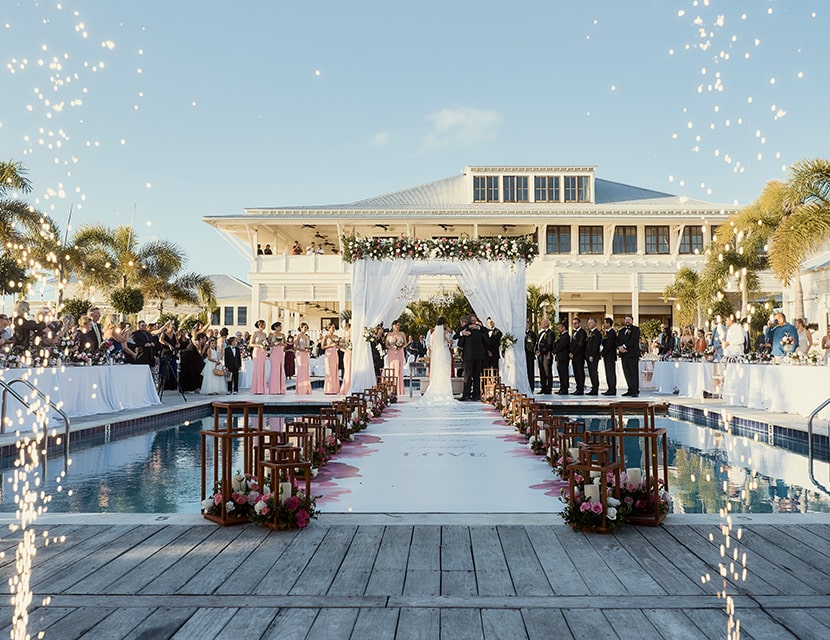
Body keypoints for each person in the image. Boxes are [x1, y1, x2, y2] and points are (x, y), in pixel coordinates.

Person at [417, 315, 455, 405]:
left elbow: (431, 345)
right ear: (445, 324)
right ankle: (445, 391)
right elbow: (450, 342)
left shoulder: (433, 333)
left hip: (437, 353)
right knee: (445, 371)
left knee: (438, 371)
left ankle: (436, 388)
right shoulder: (446, 333)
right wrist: (450, 341)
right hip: (445, 352)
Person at [457, 315, 488, 401]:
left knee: (477, 376)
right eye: (472, 321)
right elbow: (458, 338)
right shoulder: (466, 329)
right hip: (468, 355)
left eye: (475, 321)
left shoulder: (480, 329)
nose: (473, 322)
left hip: (478, 355)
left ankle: (476, 395)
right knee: (467, 376)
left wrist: (478, 327)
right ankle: (466, 395)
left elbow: (486, 332)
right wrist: (464, 332)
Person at [617, 315, 641, 397]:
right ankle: (630, 389)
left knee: (633, 373)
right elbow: (618, 340)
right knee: (626, 373)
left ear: (632, 321)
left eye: (629, 320)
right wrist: (619, 347)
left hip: (633, 355)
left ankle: (635, 390)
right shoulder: (621, 330)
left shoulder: (635, 329)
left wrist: (624, 346)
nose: (627, 321)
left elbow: (634, 340)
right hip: (624, 355)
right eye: (626, 320)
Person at [385, 320, 408, 395]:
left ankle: (400, 389)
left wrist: (400, 347)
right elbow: (386, 344)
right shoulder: (389, 334)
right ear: (392, 326)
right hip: (391, 353)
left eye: (398, 325)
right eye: (395, 325)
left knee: (399, 370)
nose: (397, 327)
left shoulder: (402, 333)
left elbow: (405, 343)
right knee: (392, 370)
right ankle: (392, 389)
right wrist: (392, 348)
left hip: (400, 352)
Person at [535, 317, 554, 394]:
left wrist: (541, 351)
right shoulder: (540, 333)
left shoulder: (550, 333)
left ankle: (548, 388)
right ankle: (543, 387)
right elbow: (538, 343)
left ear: (547, 324)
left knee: (547, 372)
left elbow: (549, 344)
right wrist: (536, 350)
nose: (541, 324)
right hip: (540, 356)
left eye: (542, 323)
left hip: (547, 355)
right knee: (542, 372)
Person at [321, 322, 341, 395]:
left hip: (335, 353)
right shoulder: (326, 336)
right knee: (329, 370)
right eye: (332, 328)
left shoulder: (336, 336)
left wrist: (337, 346)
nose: (333, 329)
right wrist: (331, 345)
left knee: (335, 370)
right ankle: (329, 389)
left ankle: (335, 389)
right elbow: (322, 347)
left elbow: (338, 346)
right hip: (328, 354)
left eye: (334, 328)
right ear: (328, 328)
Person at [552, 320, 571, 394]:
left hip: (563, 357)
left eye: (559, 328)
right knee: (561, 373)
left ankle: (565, 388)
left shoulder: (566, 336)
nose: (558, 329)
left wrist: (554, 351)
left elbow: (561, 345)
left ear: (563, 328)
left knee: (564, 373)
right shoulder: (561, 336)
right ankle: (562, 388)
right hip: (559, 357)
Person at [569, 317, 586, 395]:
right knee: (576, 372)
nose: (574, 325)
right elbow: (572, 343)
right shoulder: (573, 332)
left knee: (580, 372)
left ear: (579, 323)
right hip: (574, 356)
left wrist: (574, 353)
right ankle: (577, 388)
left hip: (579, 355)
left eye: (576, 323)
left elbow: (580, 344)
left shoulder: (582, 332)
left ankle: (581, 388)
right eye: (573, 323)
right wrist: (570, 352)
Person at [268, 322, 286, 394]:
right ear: (275, 327)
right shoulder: (271, 334)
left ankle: (281, 388)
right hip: (274, 352)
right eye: (279, 327)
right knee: (274, 370)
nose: (280, 328)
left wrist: (282, 344)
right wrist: (274, 344)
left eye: (281, 327)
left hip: (280, 352)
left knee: (280, 369)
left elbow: (285, 344)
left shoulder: (283, 335)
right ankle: (274, 389)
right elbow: (268, 344)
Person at [600, 317, 617, 396]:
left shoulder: (612, 332)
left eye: (605, 323)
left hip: (610, 356)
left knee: (611, 373)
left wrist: (603, 352)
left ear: (608, 323)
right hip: (607, 356)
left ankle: (612, 389)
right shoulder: (607, 332)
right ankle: (610, 388)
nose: (604, 325)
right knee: (608, 372)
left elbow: (610, 345)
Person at [585, 318, 601, 395]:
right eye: (588, 323)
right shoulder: (590, 332)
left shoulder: (597, 333)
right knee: (591, 372)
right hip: (588, 355)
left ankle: (595, 389)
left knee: (594, 372)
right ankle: (593, 388)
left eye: (591, 323)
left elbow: (595, 345)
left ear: (595, 323)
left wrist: (592, 355)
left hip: (593, 356)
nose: (589, 324)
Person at [295, 322, 312, 395]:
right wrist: (303, 350)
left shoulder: (307, 337)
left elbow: (308, 345)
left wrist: (309, 350)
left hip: (306, 354)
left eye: (306, 327)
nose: (305, 329)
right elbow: (295, 347)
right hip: (300, 354)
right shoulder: (298, 336)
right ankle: (300, 389)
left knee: (306, 370)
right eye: (304, 327)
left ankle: (306, 388)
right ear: (301, 328)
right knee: (301, 370)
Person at [339, 322, 353, 395]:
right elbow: (339, 346)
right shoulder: (345, 337)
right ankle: (347, 386)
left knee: (351, 370)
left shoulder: (352, 335)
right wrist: (346, 350)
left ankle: (350, 386)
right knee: (347, 370)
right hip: (347, 354)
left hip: (352, 354)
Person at [525, 319, 537, 392]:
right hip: (522, 356)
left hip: (529, 355)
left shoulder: (532, 334)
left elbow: (532, 343)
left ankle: (531, 387)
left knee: (530, 372)